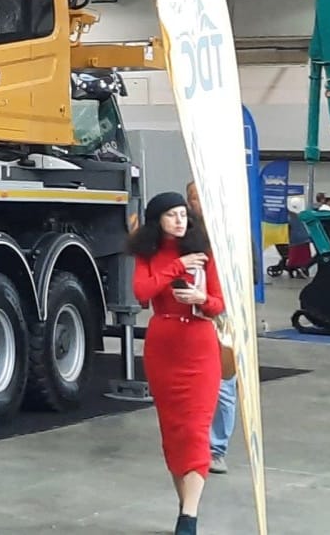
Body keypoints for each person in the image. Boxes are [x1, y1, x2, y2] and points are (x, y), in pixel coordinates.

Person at [131, 190, 225, 535]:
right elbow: (142, 292)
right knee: (173, 431)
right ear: (158, 221)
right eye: (172, 215)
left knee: (196, 428)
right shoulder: (148, 254)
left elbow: (219, 303)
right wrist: (177, 268)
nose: (180, 220)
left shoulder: (204, 252)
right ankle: (185, 506)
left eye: (183, 214)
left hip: (199, 343)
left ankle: (189, 515)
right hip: (163, 345)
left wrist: (201, 298)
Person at [186, 181, 232, 475]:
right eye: (191, 197)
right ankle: (199, 444)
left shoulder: (226, 228)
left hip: (223, 308)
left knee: (224, 382)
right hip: (194, 311)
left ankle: (217, 449)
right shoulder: (185, 232)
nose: (195, 203)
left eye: (199, 197)